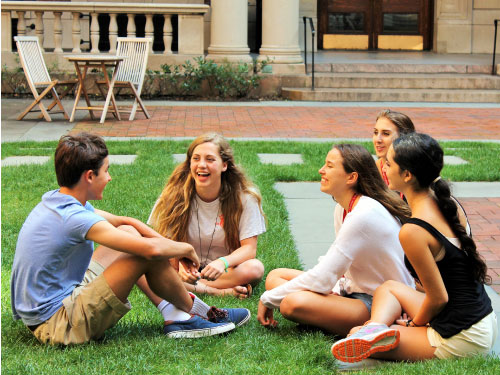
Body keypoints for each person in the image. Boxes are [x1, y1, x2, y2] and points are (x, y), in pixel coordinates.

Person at [10, 133, 248, 346]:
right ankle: (199, 312)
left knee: (130, 233)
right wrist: (185, 248)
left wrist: (176, 253)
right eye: (106, 170)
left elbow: (127, 222)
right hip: (58, 324)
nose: (110, 177)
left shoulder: (60, 201)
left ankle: (174, 315)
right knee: (143, 253)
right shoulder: (74, 218)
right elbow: (152, 250)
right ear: (90, 176)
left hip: (61, 301)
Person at [331, 133, 496, 362]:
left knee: (353, 333)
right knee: (388, 288)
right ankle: (375, 327)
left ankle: (371, 332)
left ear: (407, 175)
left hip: (461, 337)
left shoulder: (413, 231)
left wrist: (414, 323)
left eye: (388, 164)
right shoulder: (447, 202)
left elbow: (439, 298)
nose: (384, 168)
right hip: (482, 319)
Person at [257, 144, 414, 337]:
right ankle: (327, 316)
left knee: (291, 304)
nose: (321, 170)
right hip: (351, 289)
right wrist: (328, 287)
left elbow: (322, 278)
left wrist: (268, 299)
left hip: (379, 303)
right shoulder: (344, 207)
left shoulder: (364, 213)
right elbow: (334, 262)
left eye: (329, 166)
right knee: (275, 276)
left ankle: (374, 324)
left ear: (351, 177)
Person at [146, 133, 265, 305]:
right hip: (184, 268)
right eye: (196, 159)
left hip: (224, 270)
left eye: (210, 159)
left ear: (224, 165)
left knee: (255, 268)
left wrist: (222, 263)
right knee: (151, 267)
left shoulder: (245, 198)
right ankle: (219, 292)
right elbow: (165, 243)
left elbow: (249, 250)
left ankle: (187, 286)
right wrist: (180, 265)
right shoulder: (172, 196)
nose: (202, 165)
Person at [372, 109, 415, 190]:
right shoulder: (371, 171)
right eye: (375, 132)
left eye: (386, 133)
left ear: (403, 138)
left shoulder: (416, 172)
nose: (378, 139)